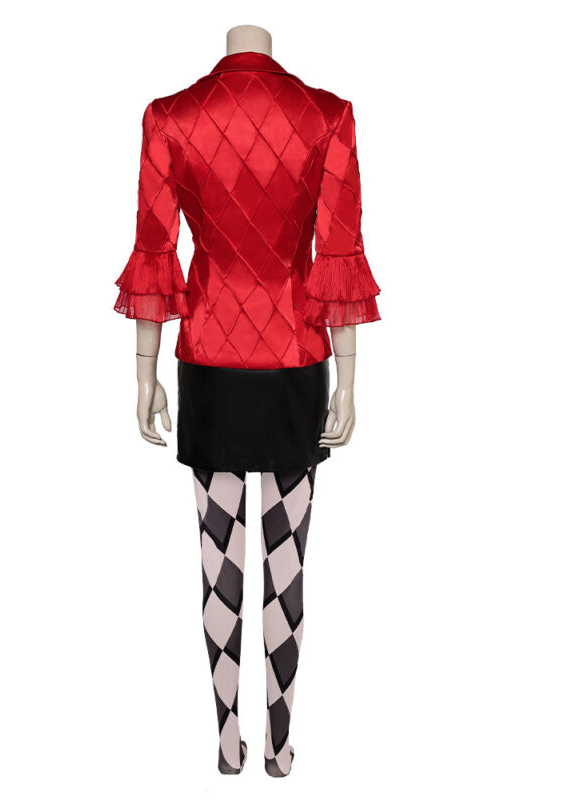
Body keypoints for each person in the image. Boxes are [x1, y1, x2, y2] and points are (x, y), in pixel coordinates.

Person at [114, 31, 382, 777]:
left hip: (208, 355)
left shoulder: (171, 117)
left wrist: (143, 373)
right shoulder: (326, 116)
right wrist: (350, 380)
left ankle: (228, 741)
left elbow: (156, 249)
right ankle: (279, 746)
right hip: (297, 358)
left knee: (218, 561)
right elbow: (337, 251)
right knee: (288, 562)